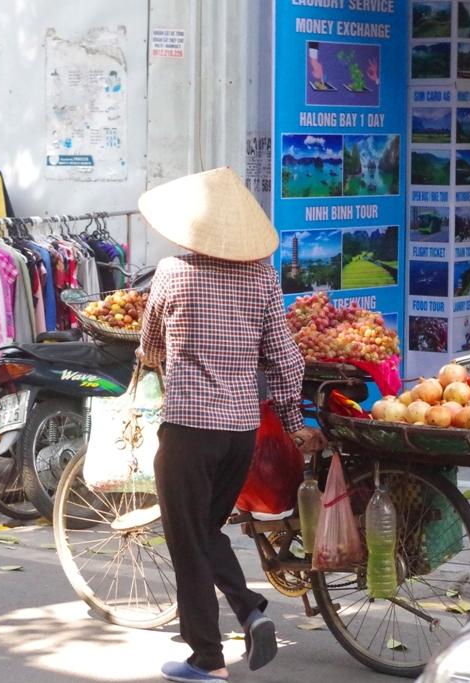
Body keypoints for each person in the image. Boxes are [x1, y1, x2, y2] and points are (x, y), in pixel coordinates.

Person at [136, 167, 326, 683]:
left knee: (184, 537)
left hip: (188, 431)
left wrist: (165, 356)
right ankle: (249, 612)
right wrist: (291, 422)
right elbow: (285, 361)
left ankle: (209, 655)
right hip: (241, 433)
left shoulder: (173, 272)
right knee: (204, 529)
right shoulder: (261, 276)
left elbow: (150, 345)